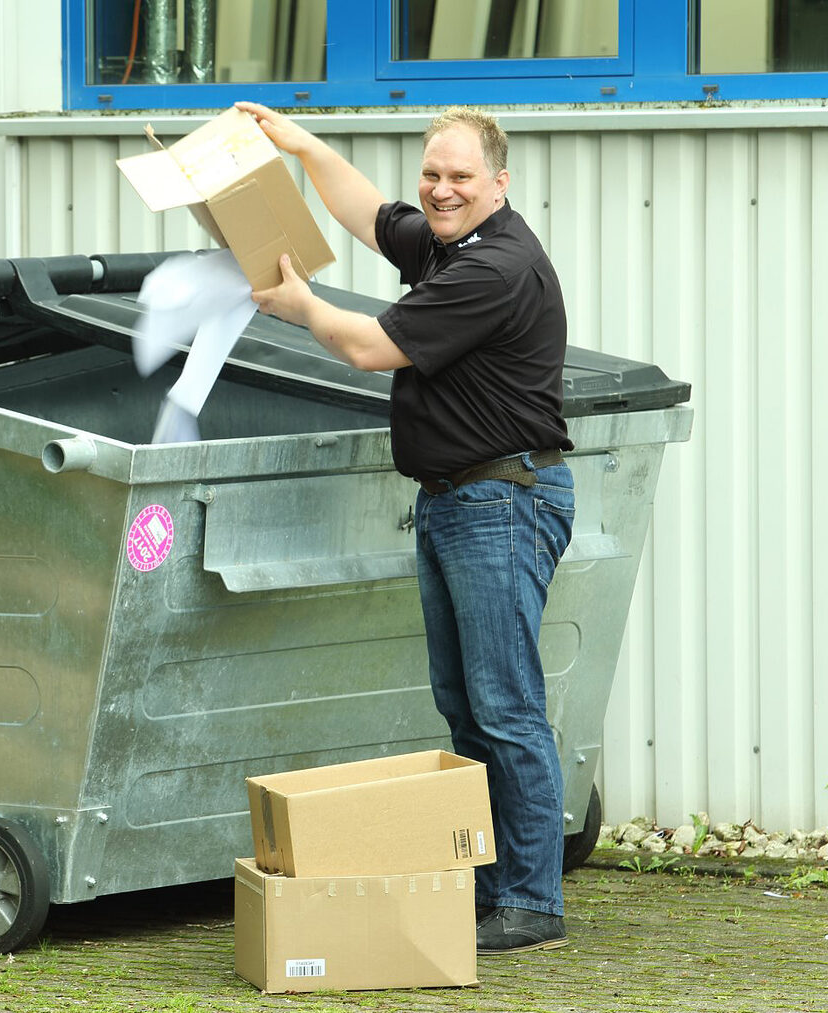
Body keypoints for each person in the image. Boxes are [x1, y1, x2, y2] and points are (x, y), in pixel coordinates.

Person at [235, 101, 576, 955]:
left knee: (505, 707)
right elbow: (365, 212)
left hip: (501, 500)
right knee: (466, 706)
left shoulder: (493, 270)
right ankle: (497, 886)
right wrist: (303, 143)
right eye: (433, 173)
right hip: (456, 499)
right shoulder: (446, 242)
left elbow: (367, 348)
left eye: (461, 176)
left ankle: (533, 900)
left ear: (500, 183)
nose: (441, 189)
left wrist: (301, 305)